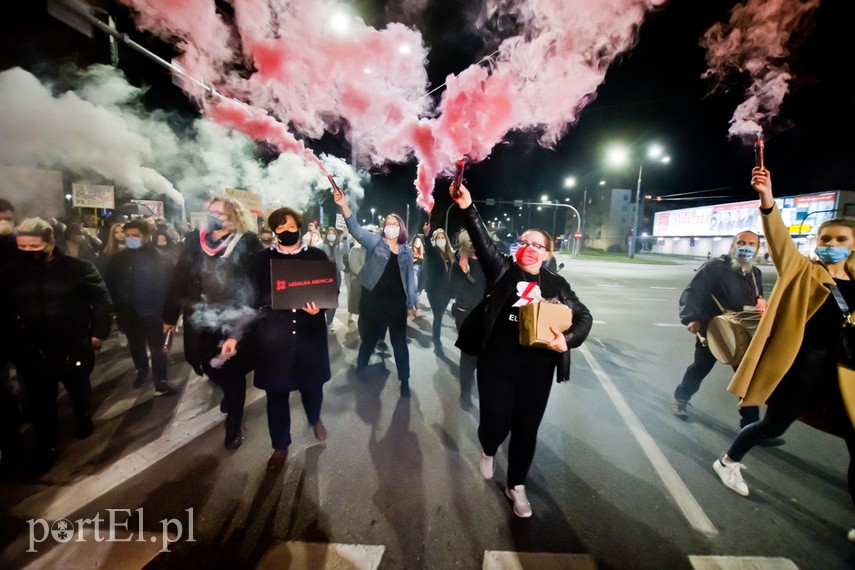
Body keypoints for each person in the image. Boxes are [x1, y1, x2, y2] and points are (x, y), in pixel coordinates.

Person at [713, 168, 855, 540]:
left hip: (845, 372)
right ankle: (727, 461)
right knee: (772, 425)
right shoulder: (803, 270)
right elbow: (779, 241)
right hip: (802, 368)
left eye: (841, 238)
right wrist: (767, 198)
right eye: (826, 238)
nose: (831, 243)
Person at [451, 183, 592, 518]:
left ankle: (517, 486)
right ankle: (487, 449)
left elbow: (584, 317)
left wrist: (566, 340)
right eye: (525, 242)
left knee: (527, 431)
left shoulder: (557, 285)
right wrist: (468, 206)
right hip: (496, 367)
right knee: (495, 424)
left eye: (537, 245)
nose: (530, 248)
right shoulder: (502, 272)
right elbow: (482, 241)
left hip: (537, 372)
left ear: (547, 254)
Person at [5, 218, 112, 476]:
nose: (29, 252)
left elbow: (101, 301)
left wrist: (98, 334)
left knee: (78, 386)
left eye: (35, 246)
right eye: (23, 247)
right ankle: (47, 446)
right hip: (32, 348)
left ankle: (82, 416)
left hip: (73, 344)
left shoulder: (78, 268)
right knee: (41, 402)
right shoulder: (13, 272)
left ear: (51, 242)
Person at [234, 207, 332, 471]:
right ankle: (280, 446)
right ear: (273, 231)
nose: (286, 231)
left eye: (291, 227)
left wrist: (319, 307)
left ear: (299, 227)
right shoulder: (260, 260)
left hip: (309, 336)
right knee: (276, 395)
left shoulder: (316, 256)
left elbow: (329, 287)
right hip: (273, 339)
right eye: (280, 227)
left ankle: (314, 418)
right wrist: (237, 332)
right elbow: (249, 299)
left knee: (312, 386)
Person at [162, 196, 262, 450]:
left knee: (233, 369)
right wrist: (169, 315)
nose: (215, 216)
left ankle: (234, 420)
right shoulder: (197, 241)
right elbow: (180, 277)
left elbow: (260, 281)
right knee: (207, 365)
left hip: (235, 319)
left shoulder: (248, 242)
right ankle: (229, 392)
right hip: (201, 317)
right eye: (212, 211)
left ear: (235, 215)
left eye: (221, 212)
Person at [673, 230, 773, 435]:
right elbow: (693, 292)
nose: (745, 247)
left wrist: (761, 301)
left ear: (757, 248)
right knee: (701, 367)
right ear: (732, 245)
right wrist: (692, 318)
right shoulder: (715, 267)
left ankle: (750, 425)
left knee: (746, 378)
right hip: (714, 329)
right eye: (741, 242)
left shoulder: (755, 273)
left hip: (743, 334)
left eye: (751, 244)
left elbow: (758, 296)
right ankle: (681, 398)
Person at [332, 189, 418, 396]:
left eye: (395, 224)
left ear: (401, 228)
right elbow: (356, 230)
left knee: (399, 345)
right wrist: (344, 205)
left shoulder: (406, 250)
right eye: (388, 224)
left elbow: (409, 279)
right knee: (369, 340)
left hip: (396, 304)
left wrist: (411, 303)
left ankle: (404, 380)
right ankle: (361, 367)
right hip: (373, 301)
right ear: (383, 228)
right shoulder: (375, 242)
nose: (391, 227)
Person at [104, 219, 176, 395]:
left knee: (158, 347)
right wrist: (114, 308)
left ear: (147, 236)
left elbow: (171, 288)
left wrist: (171, 315)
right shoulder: (117, 259)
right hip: (128, 312)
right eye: (127, 236)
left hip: (154, 312)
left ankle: (160, 380)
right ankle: (142, 370)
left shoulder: (162, 258)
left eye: (135, 236)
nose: (130, 239)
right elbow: (110, 285)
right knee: (136, 345)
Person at [449, 230, 486, 409]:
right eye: (469, 241)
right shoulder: (459, 262)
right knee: (469, 355)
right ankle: (465, 391)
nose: (473, 244)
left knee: (485, 356)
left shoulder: (489, 259)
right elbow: (453, 288)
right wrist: (463, 271)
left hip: (487, 315)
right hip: (466, 314)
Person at [423, 225, 455, 355]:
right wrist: (426, 235)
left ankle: (436, 336)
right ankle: (437, 341)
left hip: (446, 291)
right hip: (434, 290)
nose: (441, 239)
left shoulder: (451, 254)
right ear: (435, 240)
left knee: (440, 314)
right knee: (437, 316)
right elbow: (428, 248)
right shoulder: (433, 252)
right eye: (438, 237)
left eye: (443, 237)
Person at [320, 226, 347, 332]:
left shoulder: (339, 246)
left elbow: (346, 249)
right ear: (326, 235)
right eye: (329, 233)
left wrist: (345, 237)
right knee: (323, 299)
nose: (331, 235)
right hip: (324, 275)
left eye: (333, 233)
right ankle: (322, 320)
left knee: (333, 299)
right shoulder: (321, 246)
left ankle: (329, 322)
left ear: (335, 235)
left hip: (336, 274)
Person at [345, 236, 366, 325]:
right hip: (357, 280)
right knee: (355, 301)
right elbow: (355, 267)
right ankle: (352, 314)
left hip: (369, 281)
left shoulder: (373, 250)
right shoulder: (355, 249)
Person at [410, 233, 426, 315]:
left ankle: (412, 304)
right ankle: (417, 308)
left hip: (421, 271)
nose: (417, 242)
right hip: (413, 270)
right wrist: (411, 261)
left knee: (418, 289)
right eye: (416, 240)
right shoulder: (411, 250)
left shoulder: (423, 252)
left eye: (419, 241)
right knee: (415, 288)